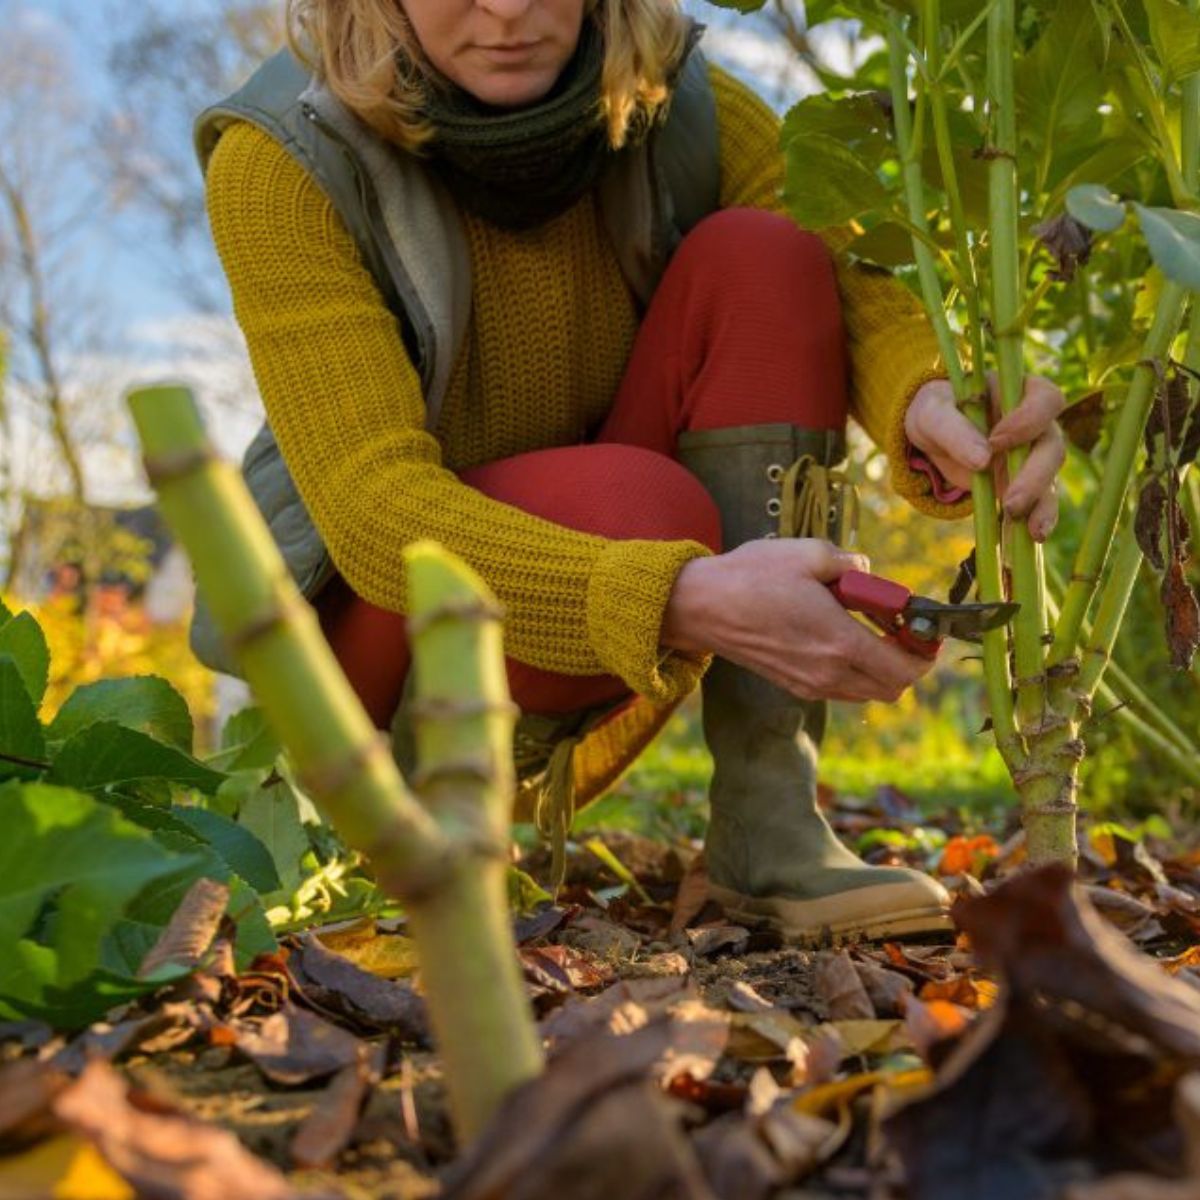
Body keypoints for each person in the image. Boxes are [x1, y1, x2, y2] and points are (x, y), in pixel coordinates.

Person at [194, 0, 1066, 942]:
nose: (508, 7)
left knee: (766, 252)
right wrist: (679, 596)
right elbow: (374, 507)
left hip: (614, 560)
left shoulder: (683, 104)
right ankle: (414, 815)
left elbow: (847, 275)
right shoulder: (283, 158)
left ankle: (771, 820)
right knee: (636, 509)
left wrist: (927, 401)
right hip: (381, 627)